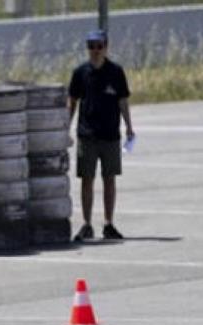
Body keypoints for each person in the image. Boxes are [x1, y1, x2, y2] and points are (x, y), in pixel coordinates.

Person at [68, 29, 134, 242]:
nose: (95, 50)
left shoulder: (116, 72)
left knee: (109, 179)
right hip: (87, 135)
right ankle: (87, 224)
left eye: (99, 46)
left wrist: (129, 127)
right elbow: (72, 102)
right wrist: (65, 127)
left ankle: (108, 223)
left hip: (110, 135)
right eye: (91, 46)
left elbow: (122, 101)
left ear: (106, 47)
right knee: (87, 180)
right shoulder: (80, 73)